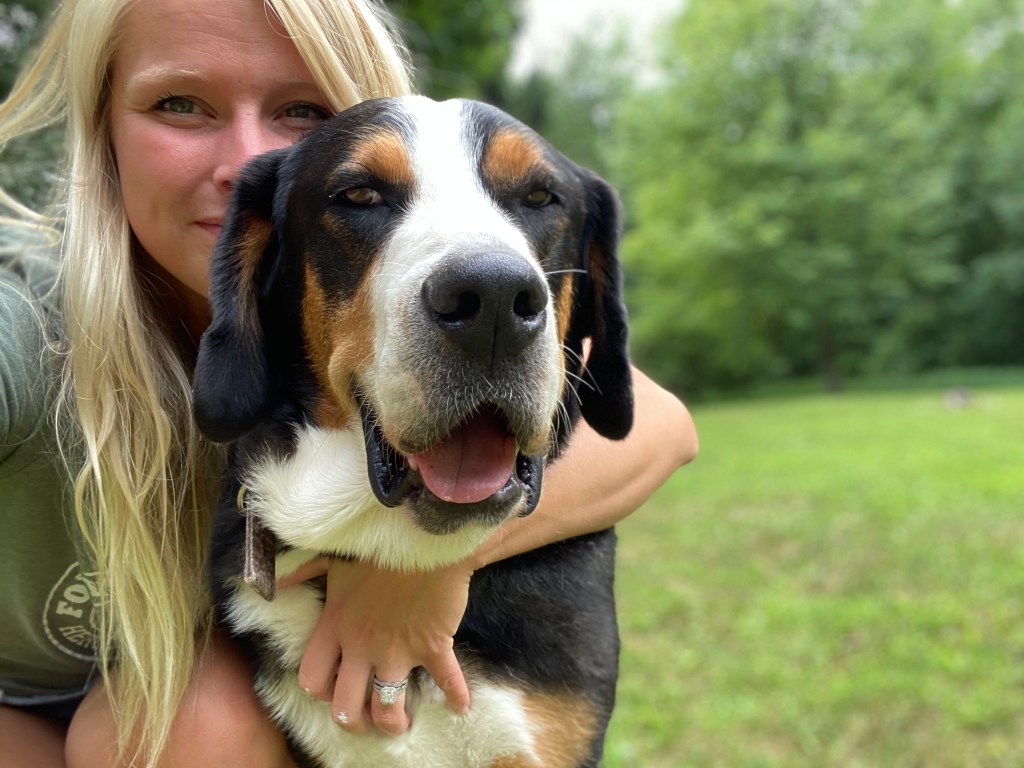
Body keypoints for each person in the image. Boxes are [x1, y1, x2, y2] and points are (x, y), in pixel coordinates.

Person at [0, 0, 698, 766]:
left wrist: (435, 561)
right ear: (99, 129)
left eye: (301, 110)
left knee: (188, 724)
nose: (241, 157)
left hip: (169, 695)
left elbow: (660, 421)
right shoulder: (25, 321)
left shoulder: (353, 280)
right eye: (179, 104)